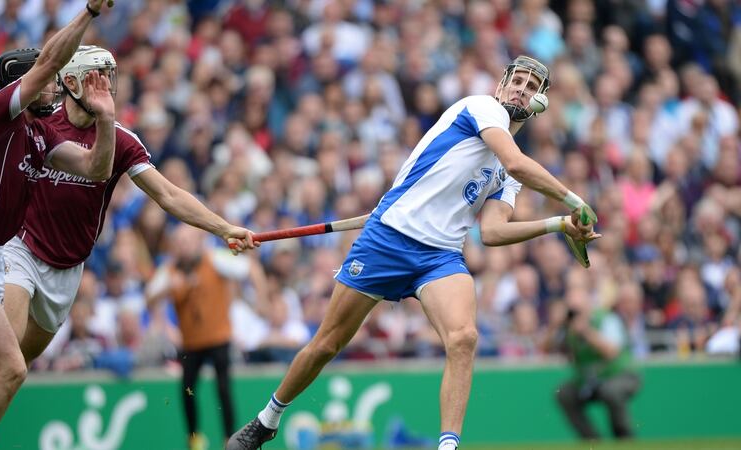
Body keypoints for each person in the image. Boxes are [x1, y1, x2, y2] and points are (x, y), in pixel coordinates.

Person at [226, 55, 600, 450]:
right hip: (389, 237)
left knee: (464, 338)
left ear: (538, 103)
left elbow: (491, 232)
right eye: (517, 80)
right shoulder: (482, 107)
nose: (521, 89)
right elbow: (517, 161)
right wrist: (575, 200)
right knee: (326, 345)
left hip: (440, 256)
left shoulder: (508, 176)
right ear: (501, 84)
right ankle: (267, 420)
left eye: (531, 87)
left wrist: (559, 223)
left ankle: (448, 446)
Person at [0, 43, 256, 450]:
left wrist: (222, 227)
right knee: (6, 367)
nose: (107, 86)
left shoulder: (120, 138)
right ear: (70, 82)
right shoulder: (38, 118)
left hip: (69, 270)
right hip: (17, 251)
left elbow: (169, 195)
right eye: (97, 77)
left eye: (110, 76)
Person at [0, 2, 117, 449]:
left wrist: (106, 119)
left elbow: (96, 169)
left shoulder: (39, 135)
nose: (56, 94)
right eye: (48, 86)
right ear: (25, 85)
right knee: (11, 368)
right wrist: (90, 13)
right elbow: (50, 62)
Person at [146, 224, 267, 450]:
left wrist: (262, 301)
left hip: (218, 337)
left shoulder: (215, 260)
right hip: (191, 342)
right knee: (187, 390)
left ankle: (229, 439)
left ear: (198, 242)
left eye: (187, 241)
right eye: (180, 243)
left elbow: (250, 268)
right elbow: (150, 297)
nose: (184, 247)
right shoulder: (170, 271)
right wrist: (165, 319)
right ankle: (194, 439)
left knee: (223, 389)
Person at [541, 288, 641, 440]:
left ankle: (624, 438)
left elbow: (612, 352)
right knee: (564, 393)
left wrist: (587, 332)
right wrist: (555, 325)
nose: (576, 315)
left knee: (612, 391)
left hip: (620, 375)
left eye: (579, 310)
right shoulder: (568, 327)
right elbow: (545, 349)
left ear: (589, 306)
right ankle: (591, 441)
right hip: (590, 381)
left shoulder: (606, 319)